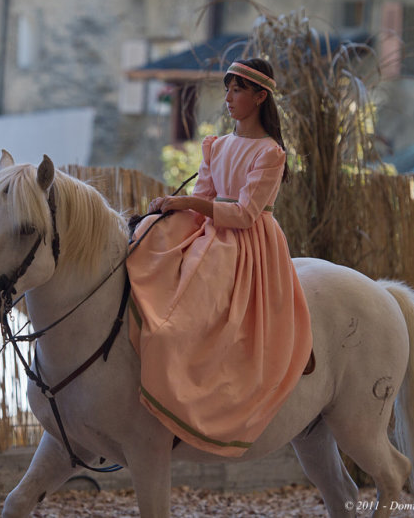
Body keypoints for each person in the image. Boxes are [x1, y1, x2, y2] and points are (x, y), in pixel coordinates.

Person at [126, 58, 313, 458]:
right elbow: (208, 196)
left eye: (237, 90)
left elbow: (245, 213)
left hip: (245, 244)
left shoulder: (271, 153)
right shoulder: (218, 144)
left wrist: (189, 200)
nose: (228, 98)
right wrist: (173, 208)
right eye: (227, 89)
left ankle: (194, 397)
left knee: (191, 311)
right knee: (147, 239)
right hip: (209, 228)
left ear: (260, 96)